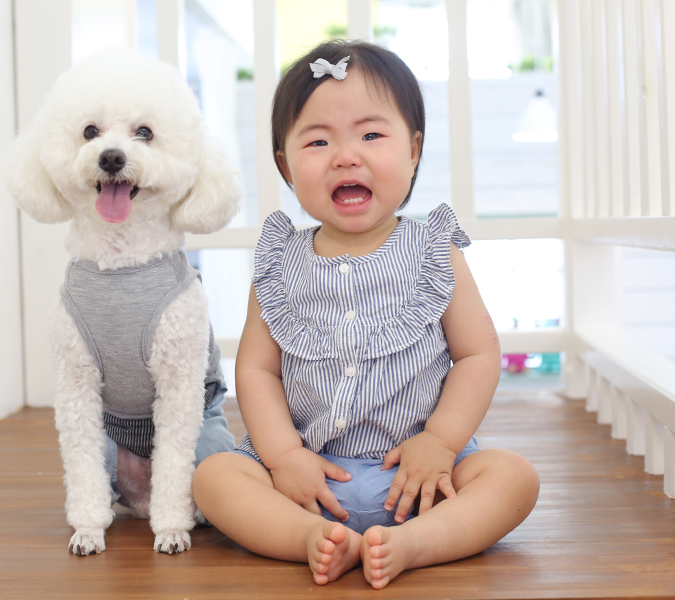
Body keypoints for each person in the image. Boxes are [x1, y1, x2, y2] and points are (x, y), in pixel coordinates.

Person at [192, 39, 539, 590]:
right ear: (284, 163)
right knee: (214, 478)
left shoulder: (434, 251)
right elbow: (257, 369)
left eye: (371, 135)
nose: (345, 156)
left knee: (512, 478)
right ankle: (310, 537)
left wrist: (441, 443)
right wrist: (283, 458)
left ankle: (414, 542)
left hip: (418, 473)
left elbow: (477, 354)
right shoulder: (280, 261)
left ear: (414, 151)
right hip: (305, 476)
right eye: (318, 140)